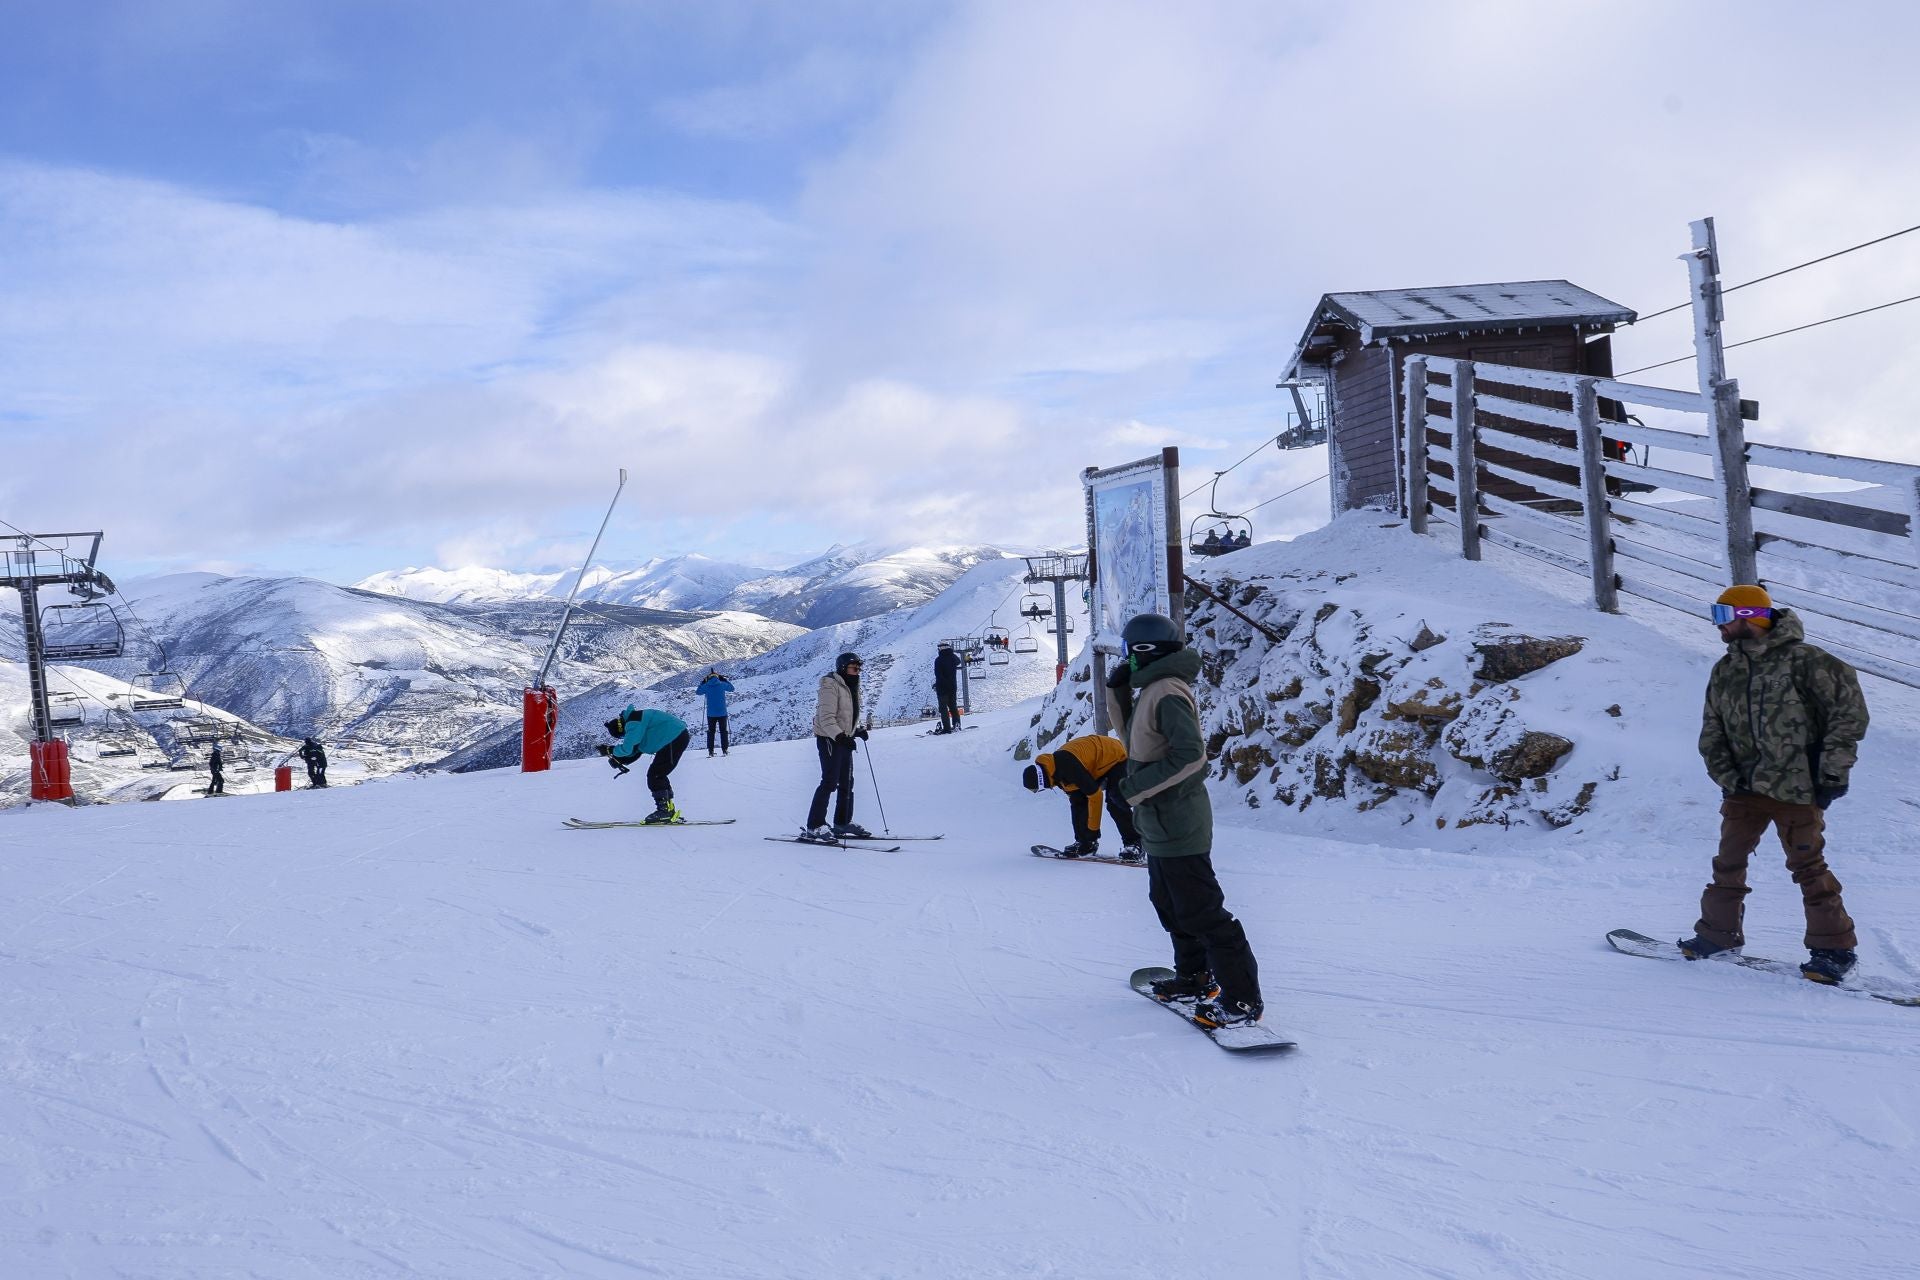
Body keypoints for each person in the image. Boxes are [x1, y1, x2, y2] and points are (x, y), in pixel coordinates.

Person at [1681, 584, 1870, 983]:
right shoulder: (1726, 669)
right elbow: (1711, 728)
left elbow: (1848, 716)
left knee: (1808, 868)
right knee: (1727, 864)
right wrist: (1726, 776)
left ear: (1750, 616)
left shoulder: (1808, 662)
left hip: (1797, 789)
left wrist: (1832, 772)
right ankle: (1718, 936)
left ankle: (1834, 950)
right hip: (1743, 790)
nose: (1717, 627)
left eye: (1722, 616)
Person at [1106, 611, 1264, 1028]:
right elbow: (1133, 741)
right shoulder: (1152, 689)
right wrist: (1118, 689)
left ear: (1144, 650)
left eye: (1128, 652)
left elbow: (1191, 756)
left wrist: (1134, 790)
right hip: (1159, 820)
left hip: (1178, 820)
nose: (1126, 658)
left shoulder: (1167, 691)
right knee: (1170, 906)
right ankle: (1194, 977)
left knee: (1204, 913)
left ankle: (1242, 1000)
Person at [1023, 734, 1141, 860]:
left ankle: (1135, 843)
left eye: (1036, 789)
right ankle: (1085, 843)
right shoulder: (1054, 773)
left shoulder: (1067, 766)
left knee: (1114, 801)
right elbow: (1078, 803)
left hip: (1117, 756)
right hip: (1096, 764)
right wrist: (1084, 840)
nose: (1037, 792)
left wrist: (1093, 831)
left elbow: (1095, 796)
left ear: (1041, 781)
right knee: (1078, 801)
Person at [804, 651, 871, 840]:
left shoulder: (852, 686)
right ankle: (815, 825)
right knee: (830, 782)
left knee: (847, 783)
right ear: (843, 668)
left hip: (843, 738)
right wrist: (841, 737)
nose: (857, 671)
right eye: (853, 668)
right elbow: (826, 718)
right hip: (829, 739)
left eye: (859, 668)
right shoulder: (830, 685)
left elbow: (846, 715)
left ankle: (842, 822)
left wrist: (855, 730)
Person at [599, 705, 692, 824]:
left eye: (622, 736)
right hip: (675, 736)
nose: (624, 737)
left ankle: (664, 812)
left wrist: (610, 750)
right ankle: (668, 809)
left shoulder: (633, 722)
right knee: (658, 774)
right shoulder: (634, 720)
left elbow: (629, 748)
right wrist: (619, 759)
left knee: (656, 774)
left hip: (673, 738)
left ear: (621, 729)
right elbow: (636, 750)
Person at [697, 669, 735, 757]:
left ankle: (711, 752)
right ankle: (725, 750)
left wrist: (703, 682)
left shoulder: (706, 685)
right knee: (723, 731)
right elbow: (732, 688)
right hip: (722, 713)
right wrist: (724, 679)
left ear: (708, 679)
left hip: (711, 714)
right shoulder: (722, 684)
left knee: (711, 732)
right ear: (718, 678)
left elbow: (698, 692)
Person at [932, 640, 963, 734]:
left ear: (941, 648)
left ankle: (947, 728)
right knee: (953, 707)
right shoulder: (953, 658)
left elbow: (939, 675)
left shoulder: (938, 660)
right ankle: (957, 725)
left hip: (942, 688)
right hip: (953, 687)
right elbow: (959, 661)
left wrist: (936, 685)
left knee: (943, 708)